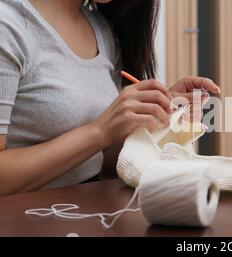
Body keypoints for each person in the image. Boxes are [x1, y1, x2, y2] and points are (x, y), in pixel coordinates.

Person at [0, 0, 220, 195]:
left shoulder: (101, 30)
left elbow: (102, 164)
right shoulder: (8, 25)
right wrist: (100, 131)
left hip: (87, 214)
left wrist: (157, 117)